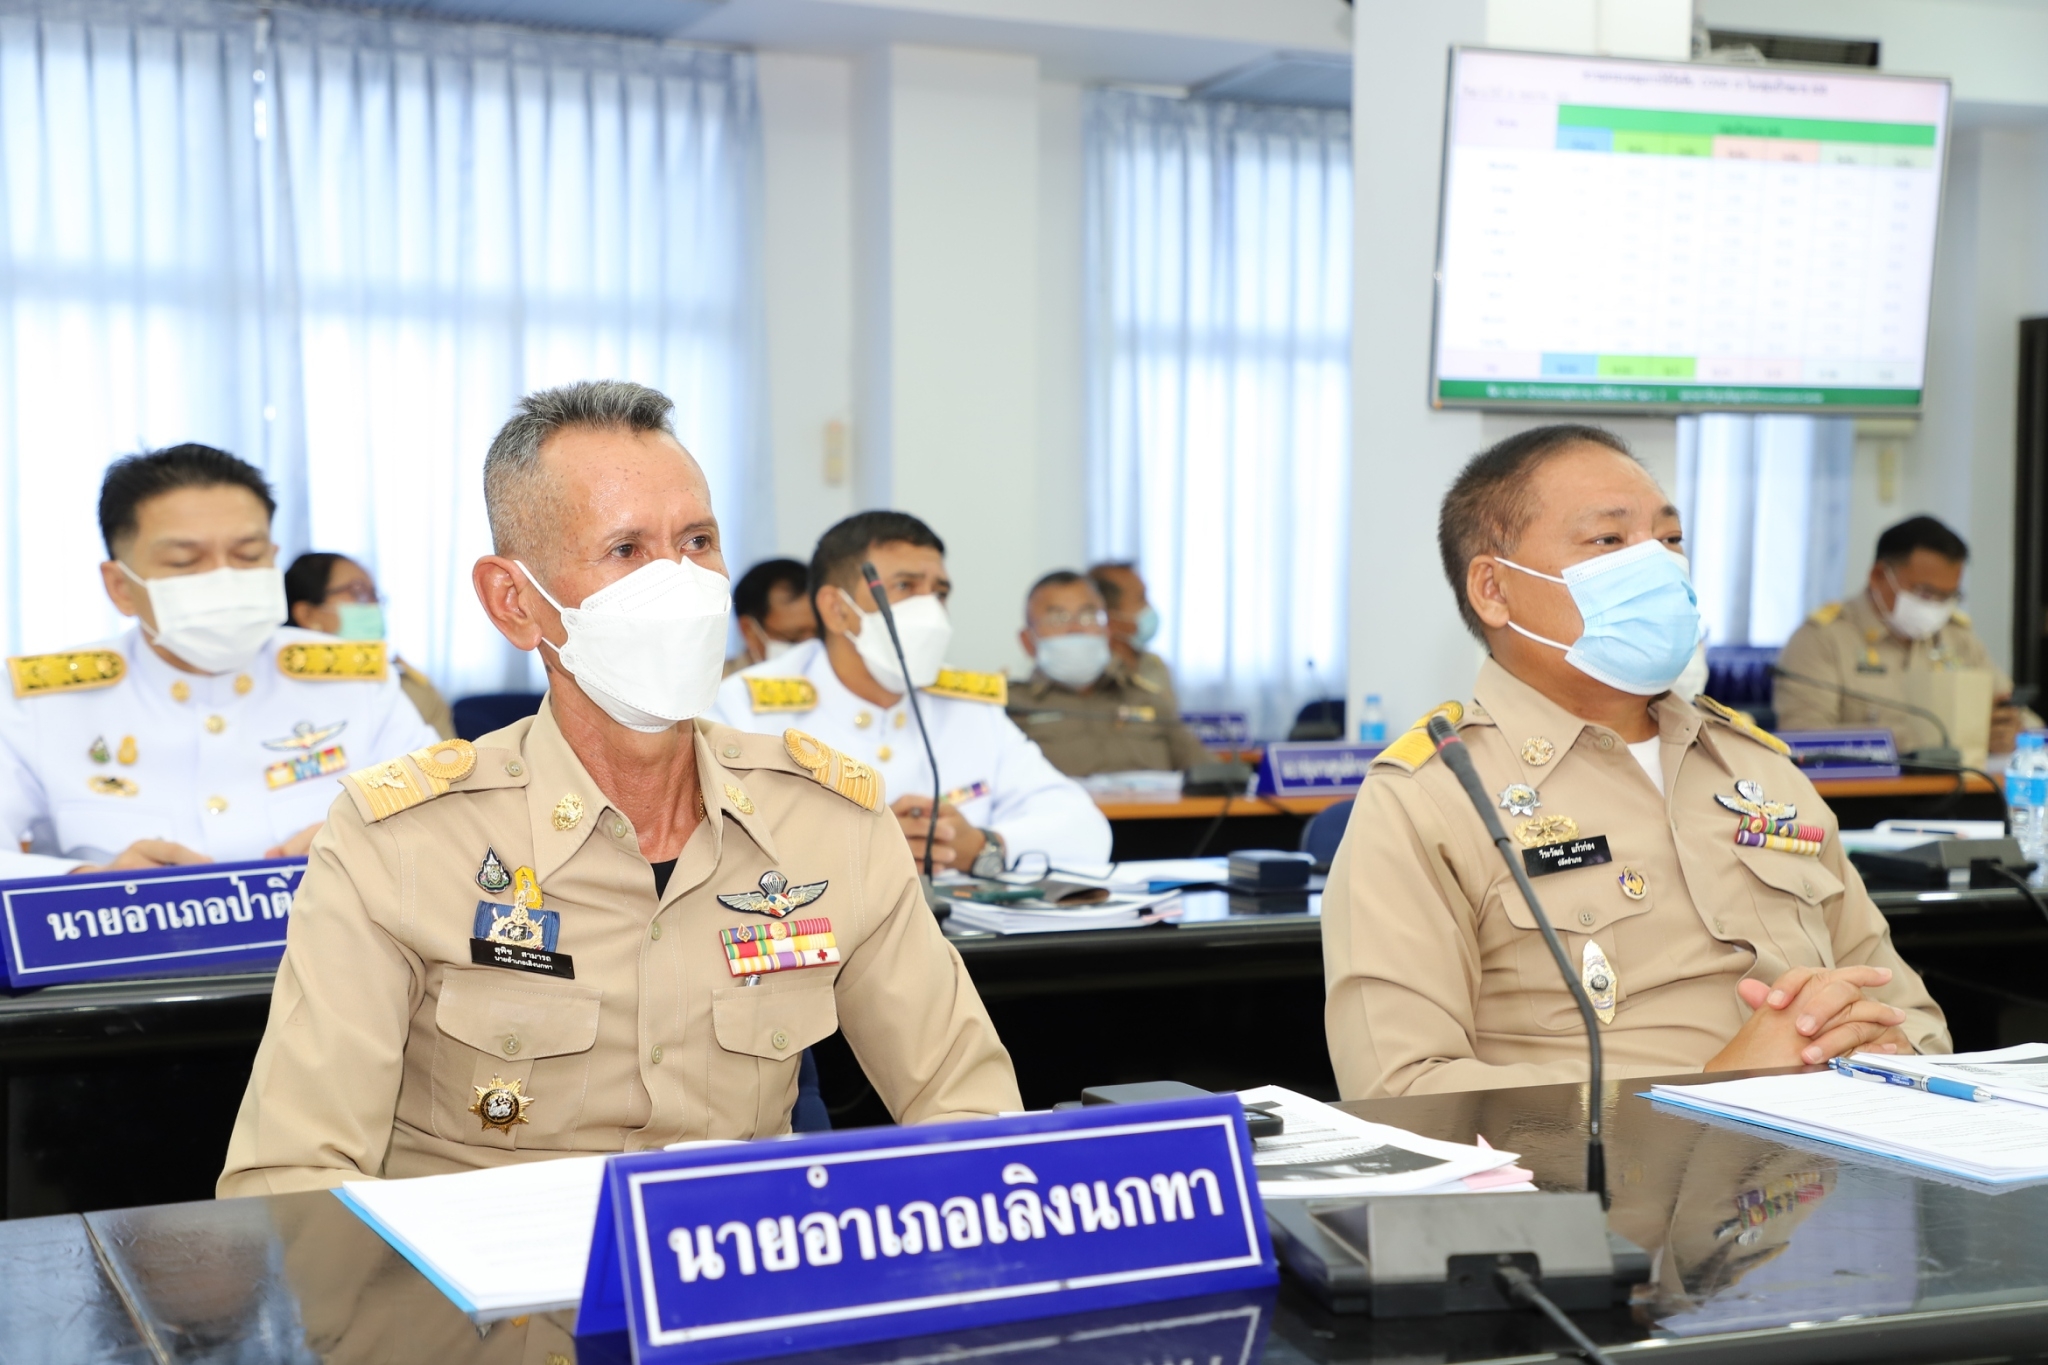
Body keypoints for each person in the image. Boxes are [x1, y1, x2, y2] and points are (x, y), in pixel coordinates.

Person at [219, 382, 1018, 1193]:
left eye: (698, 540)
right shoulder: (400, 841)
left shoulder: (827, 820)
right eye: (627, 550)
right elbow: (291, 1179)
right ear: (515, 601)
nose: (680, 582)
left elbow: (971, 1107)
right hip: (490, 1309)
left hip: (737, 1283)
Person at [1322, 424, 1949, 1098]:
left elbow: (1912, 1015)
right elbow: (1399, 1092)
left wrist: (1881, 1050)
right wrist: (1709, 1086)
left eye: (1670, 539)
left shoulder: (1761, 769)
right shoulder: (1431, 798)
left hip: (1837, 1170)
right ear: (1495, 590)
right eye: (1610, 540)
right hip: (1611, 1190)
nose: (1657, 562)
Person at [0, 445, 439, 881]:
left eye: (249, 556)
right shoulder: (40, 703)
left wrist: (368, 843)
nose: (225, 578)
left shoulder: (354, 682)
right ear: (120, 587)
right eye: (185, 561)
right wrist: (86, 878)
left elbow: (448, 819)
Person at [711, 512, 1112, 875]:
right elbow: (713, 850)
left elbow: (1087, 832)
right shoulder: (746, 707)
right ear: (837, 610)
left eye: (939, 592)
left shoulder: (968, 707)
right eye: (904, 586)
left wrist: (983, 847)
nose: (931, 611)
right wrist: (865, 847)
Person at [1774, 515, 2040, 754]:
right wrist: (1929, 739)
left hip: (1959, 795)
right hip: (1860, 799)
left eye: (1949, 597)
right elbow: (1802, 740)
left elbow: (2027, 720)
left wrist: (2011, 731)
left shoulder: (1957, 638)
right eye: (1926, 593)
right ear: (1879, 576)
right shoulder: (1821, 639)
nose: (1937, 606)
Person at [1008, 570, 1210, 777]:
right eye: (1057, 618)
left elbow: (1211, 775)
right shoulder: (1009, 711)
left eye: (1088, 616)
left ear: (1107, 630)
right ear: (1027, 641)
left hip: (1150, 808)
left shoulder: (1147, 700)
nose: (1076, 628)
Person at [285, 552, 456, 740]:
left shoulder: (410, 689)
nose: (373, 605)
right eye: (358, 592)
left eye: (373, 594)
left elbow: (449, 765)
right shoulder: (276, 692)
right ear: (307, 614)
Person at [1088, 561, 1181, 699]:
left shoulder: (1155, 665)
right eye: (1141, 598)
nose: (1149, 607)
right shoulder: (1090, 672)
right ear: (1108, 614)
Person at [727, 557, 816, 675]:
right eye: (794, 638)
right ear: (749, 630)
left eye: (819, 634)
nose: (809, 649)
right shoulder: (717, 688)